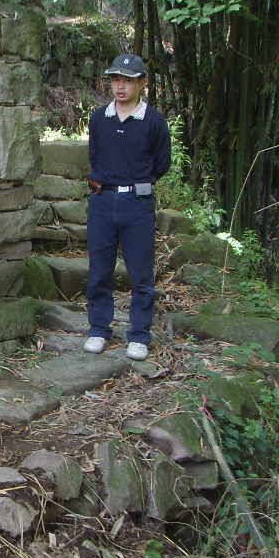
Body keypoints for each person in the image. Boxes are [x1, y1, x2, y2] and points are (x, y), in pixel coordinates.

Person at [83, 53, 170, 361]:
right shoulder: (99, 118)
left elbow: (161, 164)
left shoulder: (154, 121)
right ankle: (98, 329)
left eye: (128, 81)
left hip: (138, 203)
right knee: (99, 269)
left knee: (141, 273)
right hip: (103, 200)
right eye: (116, 80)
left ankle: (139, 335)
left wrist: (136, 184)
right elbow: (95, 156)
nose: (120, 87)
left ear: (142, 83)